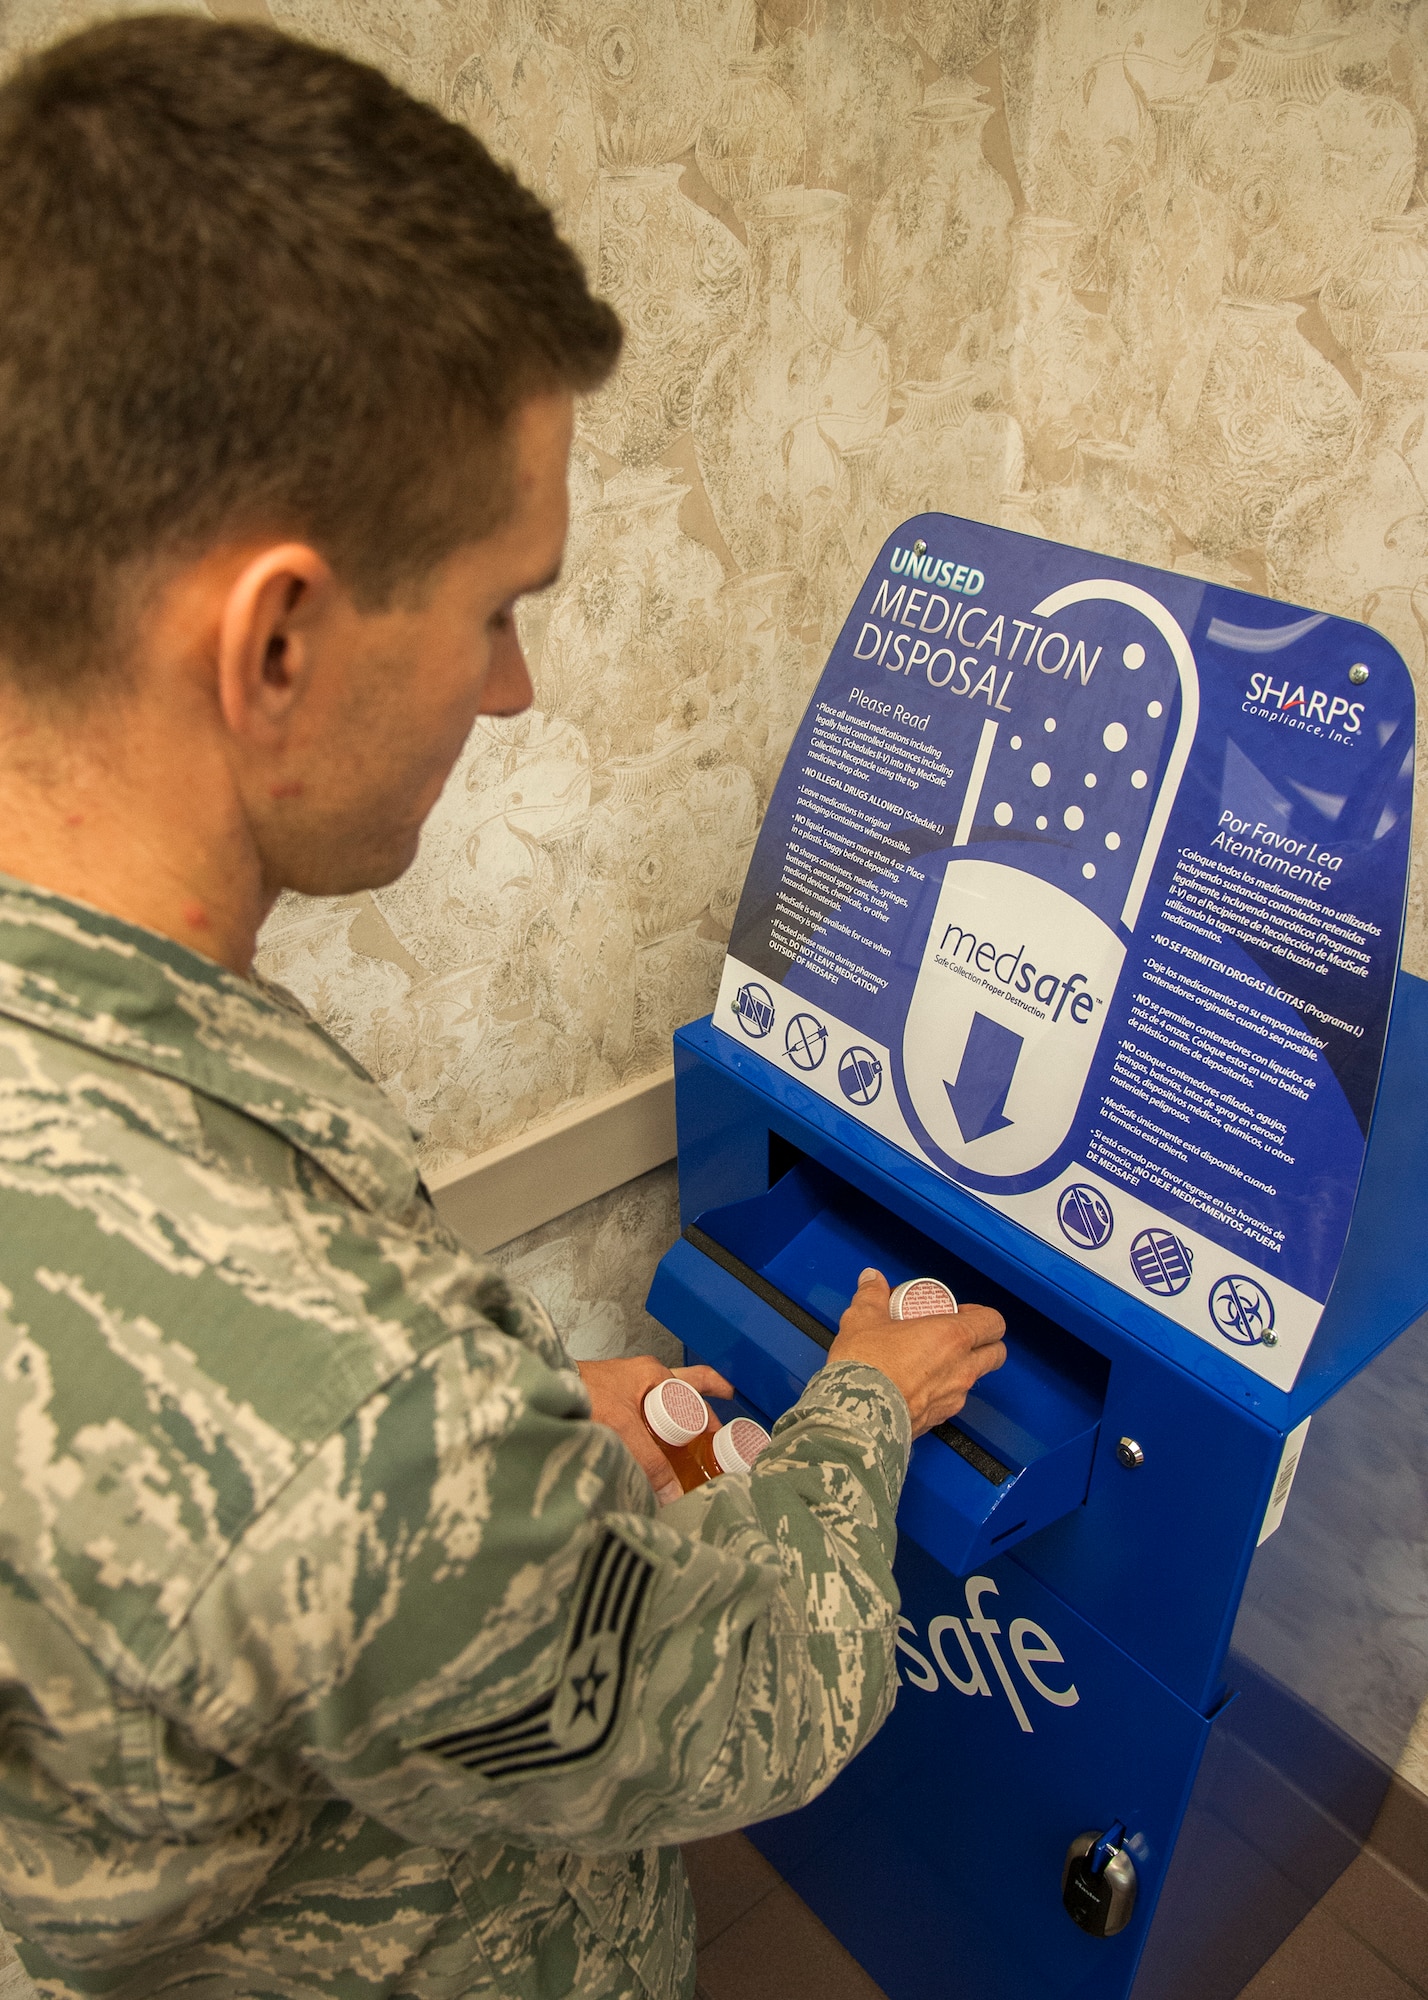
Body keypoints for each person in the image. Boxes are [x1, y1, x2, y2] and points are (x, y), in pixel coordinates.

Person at [0, 18, 1008, 2000]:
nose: (512, 687)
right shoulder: (360, 1424)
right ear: (275, 637)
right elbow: (759, 1699)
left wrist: (529, 1441)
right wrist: (858, 1419)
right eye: (496, 605)